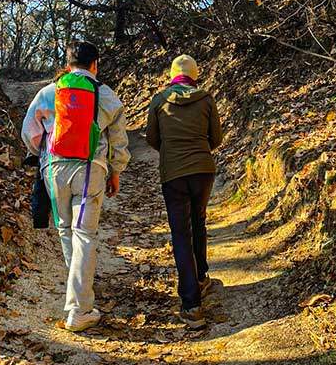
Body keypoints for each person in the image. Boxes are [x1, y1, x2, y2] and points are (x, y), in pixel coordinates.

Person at [22, 40, 130, 332]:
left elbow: (29, 132)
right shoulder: (105, 95)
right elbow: (119, 141)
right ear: (95, 65)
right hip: (90, 169)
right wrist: (116, 170)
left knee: (66, 231)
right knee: (84, 234)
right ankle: (79, 308)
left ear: (67, 64)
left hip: (54, 169)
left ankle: (78, 300)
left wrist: (43, 155)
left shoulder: (49, 92)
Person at [146, 55, 223, 329]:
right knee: (198, 221)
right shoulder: (206, 99)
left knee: (181, 234)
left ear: (171, 76)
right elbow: (216, 138)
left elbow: (152, 138)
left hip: (174, 174)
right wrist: (197, 151)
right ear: (195, 75)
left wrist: (172, 153)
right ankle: (201, 278)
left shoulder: (159, 101)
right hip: (203, 171)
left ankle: (191, 305)